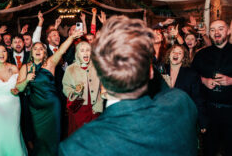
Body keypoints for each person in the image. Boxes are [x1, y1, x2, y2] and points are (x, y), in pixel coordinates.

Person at [59, 16, 198, 156]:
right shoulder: (181, 104)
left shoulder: (77, 147)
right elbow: (165, 90)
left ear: (101, 78)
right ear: (150, 71)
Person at [15, 29, 83, 156]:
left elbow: (62, 49)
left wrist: (72, 37)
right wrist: (26, 80)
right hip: (36, 109)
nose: (38, 50)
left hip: (52, 107)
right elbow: (18, 88)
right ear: (31, 52)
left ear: (45, 52)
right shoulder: (26, 67)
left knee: (53, 139)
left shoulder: (50, 63)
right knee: (39, 139)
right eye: (35, 48)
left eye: (41, 49)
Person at [192, 20, 232, 156]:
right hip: (208, 112)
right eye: (213, 30)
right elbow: (191, 77)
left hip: (231, 112)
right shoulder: (201, 55)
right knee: (209, 150)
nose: (217, 32)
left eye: (220, 29)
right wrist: (203, 80)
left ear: (228, 31)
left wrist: (231, 80)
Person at [62, 41, 103, 135]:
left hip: (94, 108)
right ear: (77, 54)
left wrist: (99, 103)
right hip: (78, 109)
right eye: (82, 50)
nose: (85, 53)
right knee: (79, 135)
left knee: (93, 135)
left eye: (88, 50)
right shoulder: (71, 69)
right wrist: (75, 92)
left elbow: (103, 86)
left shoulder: (97, 67)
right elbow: (65, 87)